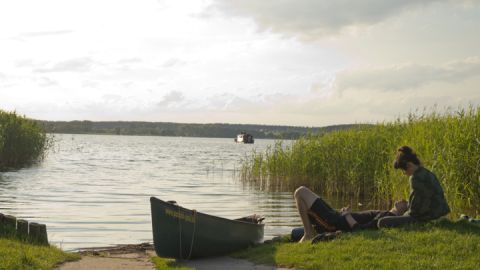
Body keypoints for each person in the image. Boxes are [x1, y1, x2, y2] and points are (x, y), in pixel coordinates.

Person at [293, 186, 408, 242]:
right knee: (300, 194)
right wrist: (346, 213)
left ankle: (308, 233)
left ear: (403, 211)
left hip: (336, 222)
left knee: (300, 192)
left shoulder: (388, 217)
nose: (402, 200)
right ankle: (309, 232)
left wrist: (347, 215)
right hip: (338, 217)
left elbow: (361, 230)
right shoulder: (387, 214)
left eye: (405, 203)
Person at [377, 146, 450, 228]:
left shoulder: (415, 178)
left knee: (381, 222)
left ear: (409, 165)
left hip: (429, 218)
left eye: (403, 170)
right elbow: (423, 200)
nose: (404, 173)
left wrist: (402, 210)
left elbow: (414, 212)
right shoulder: (427, 173)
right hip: (439, 215)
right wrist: (408, 204)